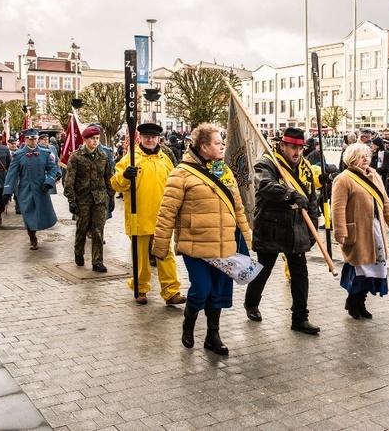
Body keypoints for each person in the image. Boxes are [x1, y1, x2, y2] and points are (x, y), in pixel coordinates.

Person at [152, 123, 252, 355]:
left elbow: (238, 208)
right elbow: (167, 212)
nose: (222, 146)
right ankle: (189, 323)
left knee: (217, 292)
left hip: (224, 244)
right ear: (203, 146)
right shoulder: (181, 173)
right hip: (194, 245)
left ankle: (212, 336)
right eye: (218, 143)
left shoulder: (224, 171)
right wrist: (159, 246)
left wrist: (247, 238)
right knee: (202, 289)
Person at [244, 127, 320, 335]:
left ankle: (300, 318)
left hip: (296, 228)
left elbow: (311, 200)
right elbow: (264, 185)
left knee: (300, 274)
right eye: (293, 147)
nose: (297, 152)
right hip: (271, 226)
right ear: (282, 145)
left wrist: (312, 227)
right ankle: (251, 303)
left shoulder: (305, 167)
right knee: (263, 270)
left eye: (300, 148)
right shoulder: (267, 163)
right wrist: (289, 194)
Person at [111, 123, 186, 305]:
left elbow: (175, 185)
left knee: (165, 254)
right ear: (141, 138)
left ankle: (171, 291)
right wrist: (125, 176)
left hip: (161, 217)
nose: (150, 140)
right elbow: (116, 184)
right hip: (140, 216)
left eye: (153, 137)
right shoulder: (131, 159)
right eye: (146, 137)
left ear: (158, 139)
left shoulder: (165, 160)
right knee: (141, 257)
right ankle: (140, 288)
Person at [332, 143, 389, 319]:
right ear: (352, 158)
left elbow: (384, 201)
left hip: (375, 230)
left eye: (367, 156)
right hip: (358, 232)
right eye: (361, 156)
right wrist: (340, 231)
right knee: (360, 270)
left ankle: (360, 302)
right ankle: (353, 303)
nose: (366, 159)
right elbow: (337, 208)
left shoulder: (374, 175)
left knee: (374, 271)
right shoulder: (343, 179)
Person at [64, 125, 115, 271]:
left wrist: (111, 197)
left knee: (98, 230)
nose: (95, 141)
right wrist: (71, 200)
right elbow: (69, 180)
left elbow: (108, 177)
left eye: (97, 139)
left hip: (99, 198)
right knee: (82, 228)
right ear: (85, 139)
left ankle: (97, 261)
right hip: (83, 198)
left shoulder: (103, 155)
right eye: (92, 139)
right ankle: (79, 252)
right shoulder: (76, 156)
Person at [2, 129, 58, 250]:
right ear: (26, 139)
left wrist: (49, 182)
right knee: (28, 213)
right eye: (30, 139)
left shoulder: (45, 153)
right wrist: (7, 191)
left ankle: (37, 229)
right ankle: (32, 237)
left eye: (35, 138)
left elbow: (53, 169)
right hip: (25, 189)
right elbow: (12, 174)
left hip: (41, 188)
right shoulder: (18, 155)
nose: (33, 141)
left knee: (42, 212)